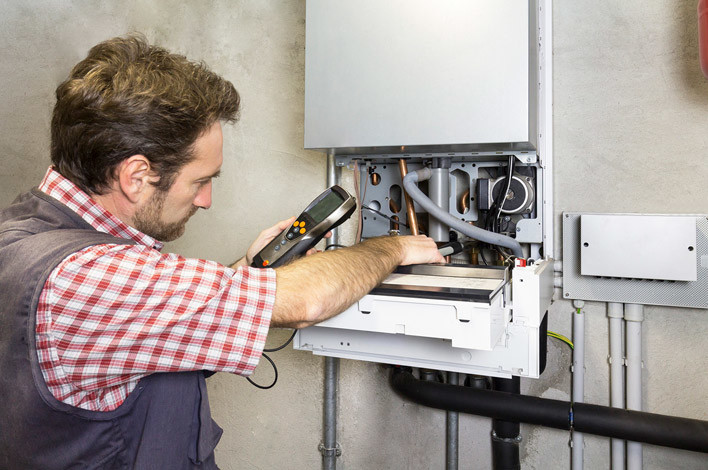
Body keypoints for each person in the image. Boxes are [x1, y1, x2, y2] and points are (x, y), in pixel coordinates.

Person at [0, 35, 442, 469]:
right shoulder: (88, 278)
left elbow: (148, 325)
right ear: (135, 176)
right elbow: (308, 301)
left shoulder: (24, 234)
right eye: (201, 180)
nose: (206, 200)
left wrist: (247, 269)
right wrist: (393, 246)